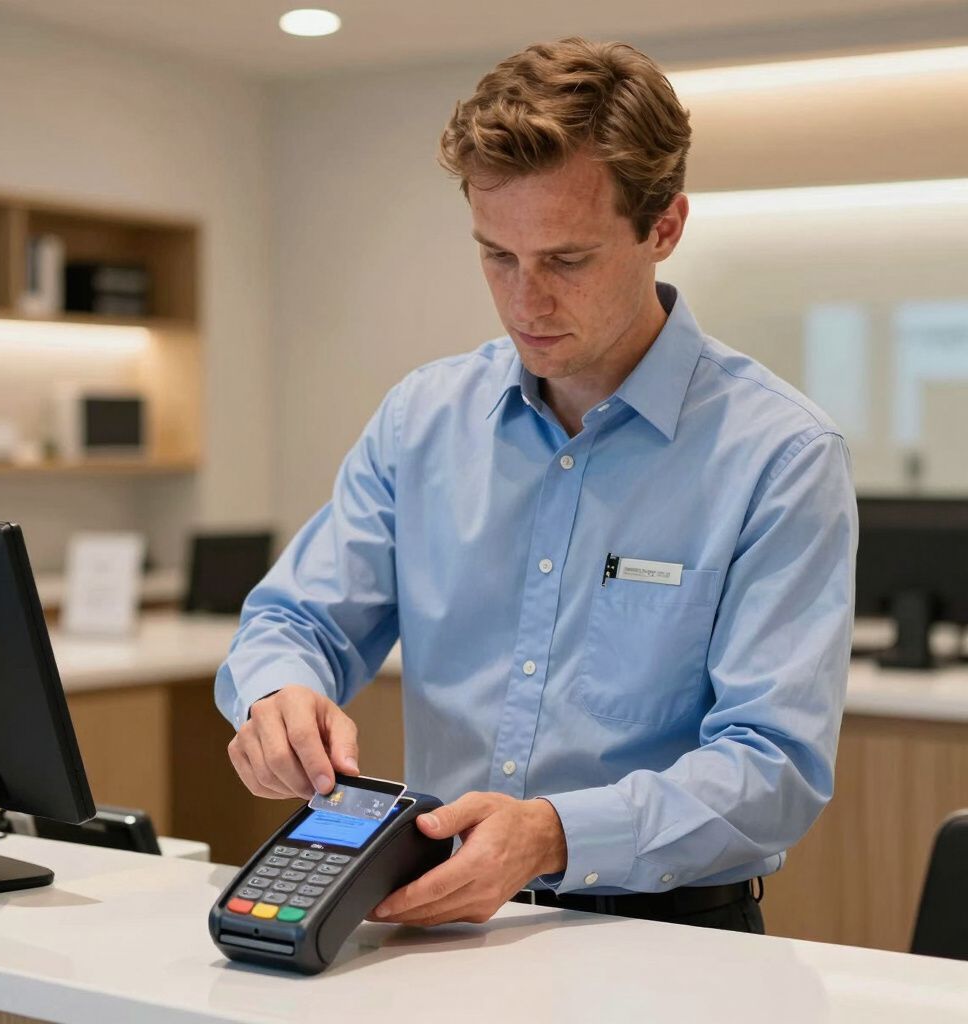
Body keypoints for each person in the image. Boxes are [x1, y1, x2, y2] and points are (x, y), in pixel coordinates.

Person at [215, 37, 857, 934]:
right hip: (438, 921)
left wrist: (555, 834)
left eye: (566, 260)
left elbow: (774, 765)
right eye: (496, 256)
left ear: (664, 228)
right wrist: (277, 693)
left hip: (664, 938)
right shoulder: (423, 419)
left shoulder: (780, 455)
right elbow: (295, 621)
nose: (526, 302)